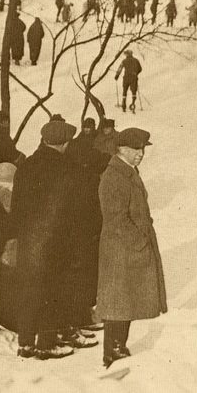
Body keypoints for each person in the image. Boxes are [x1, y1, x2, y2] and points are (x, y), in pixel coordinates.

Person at [12, 118, 86, 360]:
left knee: (28, 290)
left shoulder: (25, 166)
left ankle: (25, 344)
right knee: (53, 291)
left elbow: (16, 208)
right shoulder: (68, 168)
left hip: (28, 240)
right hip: (57, 241)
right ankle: (46, 343)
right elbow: (74, 211)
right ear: (64, 143)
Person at [98, 127, 167, 369]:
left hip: (127, 248)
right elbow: (116, 218)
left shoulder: (127, 171)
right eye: (136, 149)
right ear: (122, 149)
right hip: (121, 249)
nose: (140, 154)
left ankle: (119, 347)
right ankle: (113, 352)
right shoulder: (114, 176)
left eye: (142, 150)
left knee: (124, 302)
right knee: (118, 303)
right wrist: (140, 241)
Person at [66, 118, 110, 327]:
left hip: (82, 229)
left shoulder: (86, 148)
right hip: (84, 231)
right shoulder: (89, 173)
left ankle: (84, 314)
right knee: (84, 272)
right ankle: (83, 316)